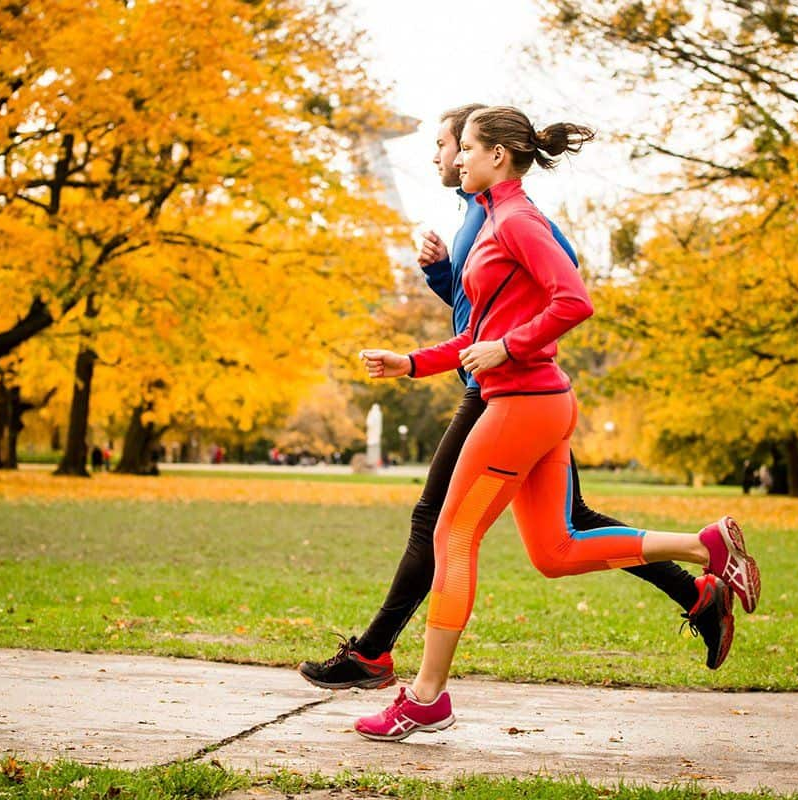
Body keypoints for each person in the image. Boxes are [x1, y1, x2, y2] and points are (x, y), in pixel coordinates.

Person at [298, 104, 736, 699]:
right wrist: (420, 344)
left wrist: (508, 346)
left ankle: (393, 668)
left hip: (513, 392)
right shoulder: (479, 215)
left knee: (444, 526)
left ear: (486, 152)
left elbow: (561, 289)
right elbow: (480, 313)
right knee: (558, 542)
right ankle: (699, 578)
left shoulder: (513, 217)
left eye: (452, 146)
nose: (443, 157)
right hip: (503, 385)